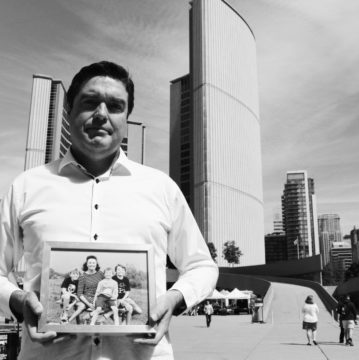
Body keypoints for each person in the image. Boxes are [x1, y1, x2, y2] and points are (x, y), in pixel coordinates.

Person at [0, 61, 218, 359]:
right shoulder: (27, 187)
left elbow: (202, 266)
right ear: (69, 108)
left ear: (126, 117)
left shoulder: (161, 188)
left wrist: (176, 298)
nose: (101, 114)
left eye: (115, 106)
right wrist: (17, 300)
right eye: (90, 102)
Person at [67, 255, 104, 324]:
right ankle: (67, 321)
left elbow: (107, 284)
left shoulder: (101, 274)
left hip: (99, 298)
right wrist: (89, 304)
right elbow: (80, 294)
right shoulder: (82, 276)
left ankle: (89, 318)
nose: (92, 264)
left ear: (96, 264)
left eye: (93, 263)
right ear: (86, 264)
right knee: (83, 306)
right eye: (90, 263)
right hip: (86, 298)